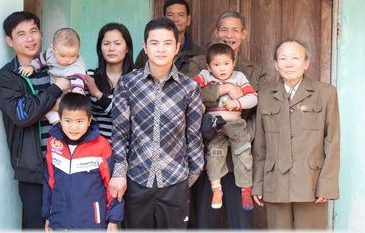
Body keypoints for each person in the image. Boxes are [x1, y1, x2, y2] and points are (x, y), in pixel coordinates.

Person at [109, 17, 204, 229]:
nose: (161, 49)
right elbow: (120, 133)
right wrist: (119, 173)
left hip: (176, 180)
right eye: (154, 43)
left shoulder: (189, 88)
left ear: (177, 47)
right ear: (145, 47)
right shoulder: (127, 84)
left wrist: (191, 174)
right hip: (136, 179)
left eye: (168, 43)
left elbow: (194, 135)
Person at [187, 10, 267, 229]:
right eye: (224, 29)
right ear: (216, 32)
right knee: (205, 222)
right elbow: (188, 95)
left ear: (244, 34)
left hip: (240, 154)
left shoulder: (254, 70)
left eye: (235, 30)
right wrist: (225, 88)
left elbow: (260, 108)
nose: (229, 35)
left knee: (241, 223)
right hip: (206, 151)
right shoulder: (198, 63)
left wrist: (243, 134)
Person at [0, 11, 70, 229]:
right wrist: (55, 90)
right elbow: (22, 114)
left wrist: (51, 101)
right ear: (10, 41)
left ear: (41, 33)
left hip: (69, 163)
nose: (30, 39)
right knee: (37, 225)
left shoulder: (57, 67)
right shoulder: (6, 78)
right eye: (21, 34)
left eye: (33, 31)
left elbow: (78, 107)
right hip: (34, 170)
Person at [252, 39, 340, 229]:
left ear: (306, 63)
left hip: (312, 184)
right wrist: (258, 184)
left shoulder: (326, 93)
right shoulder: (265, 96)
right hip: (275, 181)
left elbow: (332, 143)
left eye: (295, 58)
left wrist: (327, 185)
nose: (289, 63)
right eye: (283, 58)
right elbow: (260, 146)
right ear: (276, 64)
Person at [43, 93, 124, 231]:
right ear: (60, 119)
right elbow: (49, 182)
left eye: (79, 121)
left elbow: (110, 185)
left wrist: (113, 219)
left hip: (92, 224)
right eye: (68, 121)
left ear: (89, 120)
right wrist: (49, 217)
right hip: (60, 222)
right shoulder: (53, 144)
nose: (73, 127)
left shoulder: (101, 145)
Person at [193, 43, 258, 210]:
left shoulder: (239, 77)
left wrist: (237, 103)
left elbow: (253, 98)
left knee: (243, 153)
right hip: (215, 125)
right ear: (208, 66)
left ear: (233, 63)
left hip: (235, 123)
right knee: (214, 155)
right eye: (216, 64)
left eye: (226, 64)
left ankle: (245, 190)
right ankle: (217, 190)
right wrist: (199, 100)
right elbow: (190, 88)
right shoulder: (205, 75)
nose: (222, 69)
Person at [19, 28, 86, 125]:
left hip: (69, 95)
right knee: (49, 111)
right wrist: (31, 67)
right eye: (62, 56)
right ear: (53, 49)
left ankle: (65, 129)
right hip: (54, 94)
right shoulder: (49, 54)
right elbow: (39, 60)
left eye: (72, 55)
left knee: (73, 113)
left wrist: (77, 90)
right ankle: (58, 127)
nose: (67, 60)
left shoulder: (77, 62)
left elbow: (78, 77)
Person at [84, 23, 135, 141]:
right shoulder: (90, 76)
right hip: (95, 149)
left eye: (117, 43)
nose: (111, 48)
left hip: (126, 150)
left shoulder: (137, 78)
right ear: (100, 48)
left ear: (127, 48)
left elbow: (126, 117)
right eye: (106, 43)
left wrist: (97, 93)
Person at [135, 0, 205, 74]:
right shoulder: (148, 52)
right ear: (164, 18)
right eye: (170, 15)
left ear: (188, 20)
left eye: (181, 15)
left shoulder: (200, 54)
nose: (175, 19)